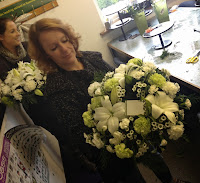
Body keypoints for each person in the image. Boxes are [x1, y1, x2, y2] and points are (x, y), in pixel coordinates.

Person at [27, 18, 190, 183]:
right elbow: (79, 135)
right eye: (54, 48)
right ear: (46, 54)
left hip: (131, 115)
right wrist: (119, 133)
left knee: (152, 154)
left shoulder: (91, 58)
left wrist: (144, 111)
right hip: (108, 146)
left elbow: (121, 83)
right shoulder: (57, 89)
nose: (65, 49)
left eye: (65, 40)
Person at [0, 17, 30, 126]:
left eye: (17, 30)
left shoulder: (28, 46)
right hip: (21, 109)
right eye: (12, 31)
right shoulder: (1, 62)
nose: (18, 34)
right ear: (1, 37)